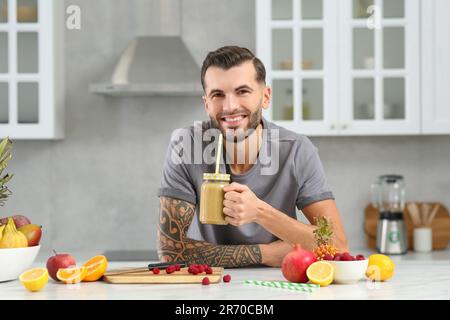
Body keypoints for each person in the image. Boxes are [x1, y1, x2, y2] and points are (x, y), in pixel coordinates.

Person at [157, 46, 348, 268]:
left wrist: (259, 212)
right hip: (208, 284)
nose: (230, 107)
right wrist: (266, 254)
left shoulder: (296, 150)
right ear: (207, 104)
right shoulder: (186, 146)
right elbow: (170, 252)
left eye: (242, 91)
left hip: (280, 285)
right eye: (218, 95)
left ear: (265, 97)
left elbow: (338, 245)